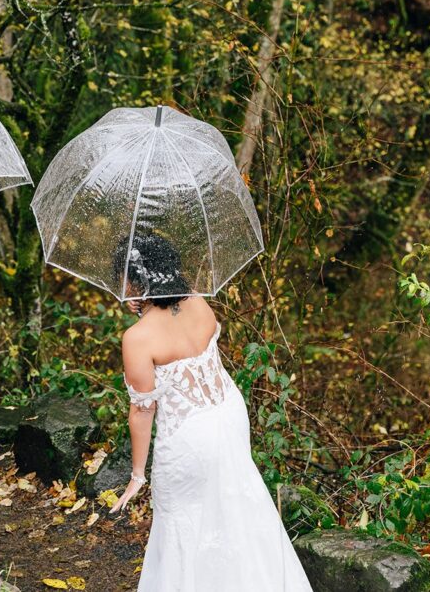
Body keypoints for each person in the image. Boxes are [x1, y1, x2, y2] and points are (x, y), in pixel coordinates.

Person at [108, 233, 313, 591]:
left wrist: (137, 475)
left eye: (124, 280)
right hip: (228, 413)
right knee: (236, 504)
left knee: (183, 521)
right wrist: (146, 305)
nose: (121, 288)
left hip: (190, 434)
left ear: (137, 281)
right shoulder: (199, 303)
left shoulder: (137, 338)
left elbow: (143, 411)